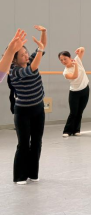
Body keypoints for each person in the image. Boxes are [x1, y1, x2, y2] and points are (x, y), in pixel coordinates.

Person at [9, 26, 47, 186]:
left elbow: (41, 48)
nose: (26, 56)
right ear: (14, 59)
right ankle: (20, 176)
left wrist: (43, 33)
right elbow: (33, 68)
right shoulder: (14, 71)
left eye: (26, 53)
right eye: (22, 55)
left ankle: (33, 173)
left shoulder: (30, 61)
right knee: (23, 144)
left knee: (37, 142)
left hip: (38, 109)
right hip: (23, 112)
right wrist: (40, 50)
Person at [59, 48, 90, 138]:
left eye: (65, 59)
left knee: (80, 111)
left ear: (70, 58)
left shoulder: (77, 60)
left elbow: (83, 49)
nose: (63, 61)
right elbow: (75, 76)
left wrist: (79, 49)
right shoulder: (65, 72)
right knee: (73, 112)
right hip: (74, 92)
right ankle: (67, 131)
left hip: (85, 89)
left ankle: (76, 130)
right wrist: (76, 65)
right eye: (61, 60)